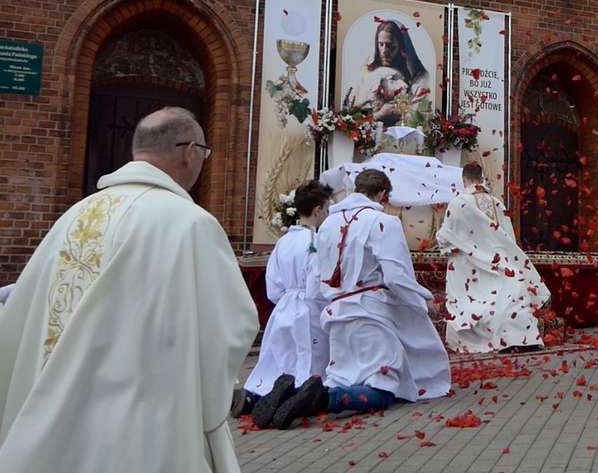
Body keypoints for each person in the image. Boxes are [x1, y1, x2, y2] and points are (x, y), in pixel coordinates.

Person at [0, 107, 258, 472]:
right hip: (139, 425)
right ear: (189, 151)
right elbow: (228, 328)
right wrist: (221, 390)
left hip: (53, 418)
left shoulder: (74, 216)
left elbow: (22, 315)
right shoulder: (191, 224)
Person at [273, 169, 451, 429]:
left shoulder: (327, 225)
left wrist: (323, 312)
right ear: (381, 194)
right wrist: (423, 299)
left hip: (336, 314)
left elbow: (316, 280)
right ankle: (323, 399)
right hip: (370, 315)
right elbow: (395, 276)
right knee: (382, 388)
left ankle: (288, 397)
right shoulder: (384, 222)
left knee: (344, 377)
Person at [235, 180, 334, 428]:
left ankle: (254, 397)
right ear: (318, 210)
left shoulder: (283, 242)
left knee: (281, 358)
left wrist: (286, 300)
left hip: (285, 306)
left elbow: (272, 285)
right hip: (308, 307)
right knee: (310, 362)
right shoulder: (316, 241)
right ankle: (298, 397)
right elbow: (316, 282)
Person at [436, 163, 551, 353]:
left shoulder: (459, 202)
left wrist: (440, 239)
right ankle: (518, 337)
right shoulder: (497, 203)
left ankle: (486, 338)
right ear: (481, 178)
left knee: (474, 301)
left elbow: (447, 236)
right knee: (507, 295)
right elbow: (507, 237)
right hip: (497, 262)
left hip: (470, 265)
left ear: (464, 179)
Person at [358, 20, 431, 127]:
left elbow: (418, 119)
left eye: (391, 46)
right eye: (381, 45)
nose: (384, 51)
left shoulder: (420, 81)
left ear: (401, 47)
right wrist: (379, 115)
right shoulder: (364, 75)